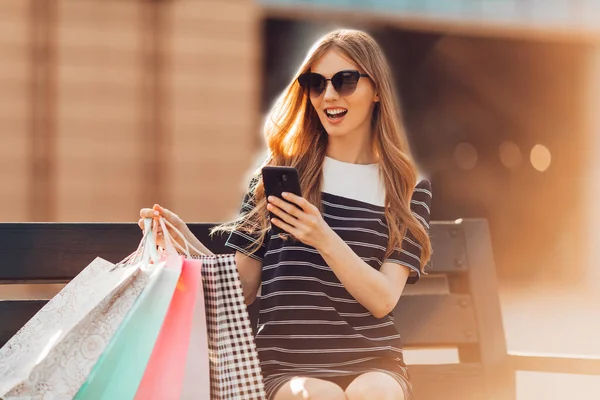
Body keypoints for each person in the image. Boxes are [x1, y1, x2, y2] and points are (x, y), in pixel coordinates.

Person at [140, 29, 432, 400]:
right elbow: (242, 288)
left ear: (377, 90)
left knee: (376, 393)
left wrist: (322, 236)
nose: (329, 96)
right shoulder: (276, 176)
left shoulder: (407, 187)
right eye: (315, 83)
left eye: (345, 81)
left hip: (373, 360)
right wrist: (182, 247)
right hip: (286, 367)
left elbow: (383, 298)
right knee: (317, 396)